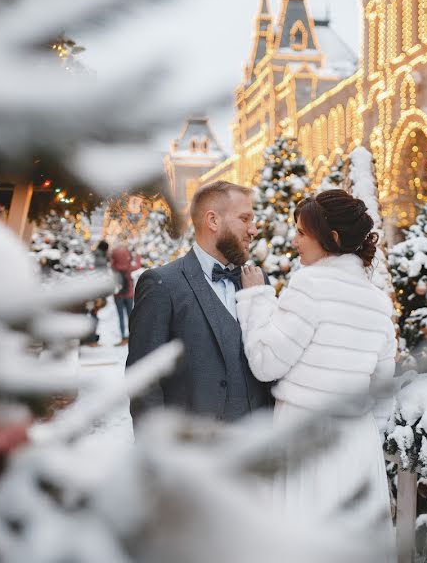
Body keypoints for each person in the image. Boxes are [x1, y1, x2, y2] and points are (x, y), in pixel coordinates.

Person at [236, 189, 396, 534]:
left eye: (301, 233)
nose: (294, 241)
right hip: (358, 443)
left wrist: (255, 298)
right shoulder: (379, 303)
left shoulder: (310, 285)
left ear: (332, 238)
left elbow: (265, 362)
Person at [126, 181, 273, 422]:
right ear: (213, 221)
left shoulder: (257, 281)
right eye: (245, 219)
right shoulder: (162, 285)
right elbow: (144, 384)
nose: (254, 230)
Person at [110, 244, 141, 344]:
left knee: (120, 316)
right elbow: (138, 265)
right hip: (129, 294)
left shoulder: (113, 266)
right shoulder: (128, 267)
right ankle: (132, 336)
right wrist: (137, 255)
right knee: (130, 316)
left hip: (118, 295)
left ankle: (123, 337)